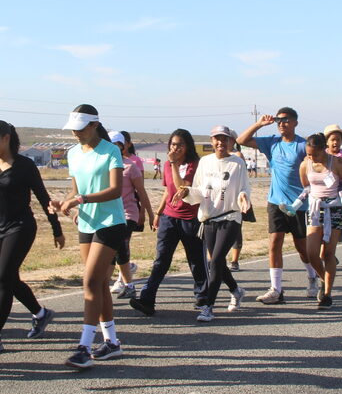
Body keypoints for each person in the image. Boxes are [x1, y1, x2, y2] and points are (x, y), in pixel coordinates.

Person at [0, 121, 64, 354]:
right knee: (10, 279)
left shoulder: (25, 166)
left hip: (21, 227)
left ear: (7, 138)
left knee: (3, 280)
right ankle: (41, 314)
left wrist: (56, 229)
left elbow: (43, 197)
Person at [51, 105, 126, 369]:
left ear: (94, 125)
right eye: (73, 128)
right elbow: (76, 189)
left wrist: (82, 199)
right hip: (87, 222)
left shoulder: (111, 150)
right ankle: (112, 342)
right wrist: (65, 203)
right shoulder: (73, 153)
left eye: (81, 128)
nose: (76, 133)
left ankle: (83, 346)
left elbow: (115, 190)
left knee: (90, 281)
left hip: (111, 223)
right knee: (99, 284)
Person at [238, 108, 319, 303]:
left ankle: (312, 276)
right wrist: (259, 124)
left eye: (286, 120)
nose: (281, 124)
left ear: (295, 123)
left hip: (299, 204)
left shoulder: (302, 145)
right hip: (276, 202)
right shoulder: (272, 142)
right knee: (274, 243)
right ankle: (276, 289)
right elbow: (241, 140)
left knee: (301, 247)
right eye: (279, 121)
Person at [130, 129, 208, 316]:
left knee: (196, 260)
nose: (176, 148)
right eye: (173, 144)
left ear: (187, 146)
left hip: (190, 219)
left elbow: (183, 187)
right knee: (161, 259)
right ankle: (147, 299)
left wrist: (173, 164)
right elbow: (168, 191)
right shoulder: (167, 164)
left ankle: (203, 298)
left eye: (180, 144)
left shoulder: (194, 165)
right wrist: (158, 213)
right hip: (169, 218)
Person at [190, 126, 252, 321]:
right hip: (209, 217)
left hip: (230, 217)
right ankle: (236, 290)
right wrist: (187, 193)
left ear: (231, 142)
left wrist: (243, 197)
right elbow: (198, 189)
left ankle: (208, 306)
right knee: (215, 261)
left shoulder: (237, 163)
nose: (220, 143)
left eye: (225, 139)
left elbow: (244, 188)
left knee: (215, 261)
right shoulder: (205, 162)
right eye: (217, 139)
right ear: (211, 141)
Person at [295, 132, 342, 306]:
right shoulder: (305, 165)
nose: (312, 158)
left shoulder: (336, 163)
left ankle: (327, 293)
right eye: (308, 154)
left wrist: (340, 195)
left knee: (329, 253)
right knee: (311, 252)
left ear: (324, 149)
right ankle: (324, 279)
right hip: (315, 210)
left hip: (335, 210)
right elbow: (306, 186)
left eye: (315, 154)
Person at [108, 131, 152, 300]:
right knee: (112, 250)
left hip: (128, 213)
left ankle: (129, 285)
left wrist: (148, 214)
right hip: (110, 215)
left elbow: (141, 192)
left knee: (120, 243)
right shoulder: (105, 167)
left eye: (117, 145)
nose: (114, 148)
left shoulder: (130, 166)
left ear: (123, 146)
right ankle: (107, 285)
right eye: (110, 145)